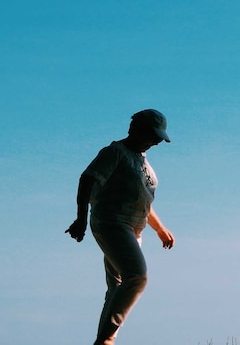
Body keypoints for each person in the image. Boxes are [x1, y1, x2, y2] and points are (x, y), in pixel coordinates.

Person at [65, 109, 176, 345]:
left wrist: (159, 228)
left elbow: (142, 199)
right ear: (136, 130)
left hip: (134, 229)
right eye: (153, 135)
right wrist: (81, 219)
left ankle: (106, 339)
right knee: (137, 276)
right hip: (111, 222)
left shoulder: (143, 161)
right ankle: (106, 339)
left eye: (159, 137)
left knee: (117, 288)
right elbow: (88, 179)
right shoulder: (115, 152)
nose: (157, 142)